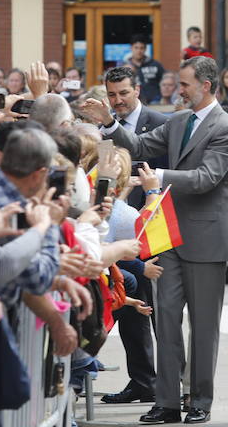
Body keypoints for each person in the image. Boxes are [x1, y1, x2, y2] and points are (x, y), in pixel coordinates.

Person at [79, 55, 228, 424]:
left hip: (205, 241)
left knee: (202, 327)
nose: (177, 91)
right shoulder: (179, 120)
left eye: (184, 85)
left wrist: (160, 178)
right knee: (166, 321)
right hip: (167, 237)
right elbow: (136, 146)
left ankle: (199, 400)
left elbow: (206, 178)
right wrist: (108, 121)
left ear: (205, 85)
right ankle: (167, 401)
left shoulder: (227, 126)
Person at [99, 65, 167, 405]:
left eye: (123, 93)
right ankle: (142, 382)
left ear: (137, 89)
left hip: (152, 233)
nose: (118, 100)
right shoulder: (103, 127)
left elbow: (166, 175)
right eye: (112, 95)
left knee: (159, 316)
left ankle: (171, 387)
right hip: (117, 236)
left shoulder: (159, 123)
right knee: (129, 314)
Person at [126, 35, 166, 104]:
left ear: (145, 49)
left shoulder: (155, 65)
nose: (139, 51)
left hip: (155, 102)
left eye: (142, 48)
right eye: (136, 48)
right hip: (134, 103)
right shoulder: (125, 66)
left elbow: (165, 81)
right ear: (131, 48)